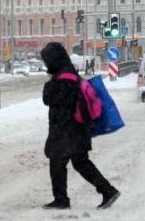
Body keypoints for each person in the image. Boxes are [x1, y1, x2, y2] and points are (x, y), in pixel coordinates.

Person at [40, 42, 120, 210]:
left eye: (47, 60)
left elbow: (48, 98)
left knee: (58, 162)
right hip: (77, 128)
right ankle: (107, 190)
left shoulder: (63, 78)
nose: (46, 64)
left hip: (67, 129)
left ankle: (61, 199)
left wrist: (49, 82)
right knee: (80, 162)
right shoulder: (70, 73)